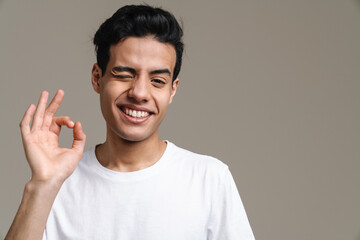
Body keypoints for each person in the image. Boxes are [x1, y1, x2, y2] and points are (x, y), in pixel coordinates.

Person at [5, 5, 255, 240]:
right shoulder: (58, 182)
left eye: (157, 81)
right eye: (124, 75)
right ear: (97, 78)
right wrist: (42, 184)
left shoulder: (208, 179)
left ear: (172, 90)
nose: (140, 92)